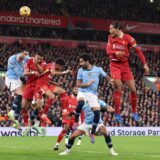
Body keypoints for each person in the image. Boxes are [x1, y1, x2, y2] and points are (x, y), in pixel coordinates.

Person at [106, 21, 149, 123]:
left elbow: (138, 50)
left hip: (125, 66)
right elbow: (108, 51)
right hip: (115, 65)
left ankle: (134, 113)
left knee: (133, 90)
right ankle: (117, 113)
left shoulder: (128, 38)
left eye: (111, 28)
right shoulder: (111, 37)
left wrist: (145, 63)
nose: (109, 30)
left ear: (117, 29)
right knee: (118, 86)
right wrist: (116, 52)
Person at [74, 53, 110, 143]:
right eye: (80, 62)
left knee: (97, 113)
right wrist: (87, 84)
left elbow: (106, 76)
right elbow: (78, 84)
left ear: (87, 61)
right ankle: (75, 122)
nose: (80, 64)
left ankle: (93, 133)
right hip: (82, 92)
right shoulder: (80, 70)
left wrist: (111, 81)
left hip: (92, 95)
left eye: (82, 62)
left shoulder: (98, 70)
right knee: (81, 103)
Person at [6, 50, 29, 127]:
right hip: (11, 79)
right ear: (17, 55)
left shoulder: (23, 57)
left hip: (17, 80)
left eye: (21, 59)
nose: (20, 61)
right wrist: (30, 73)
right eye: (19, 59)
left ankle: (15, 119)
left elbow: (29, 59)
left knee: (23, 99)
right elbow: (20, 73)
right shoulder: (12, 60)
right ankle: (12, 112)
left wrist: (29, 57)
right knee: (22, 95)